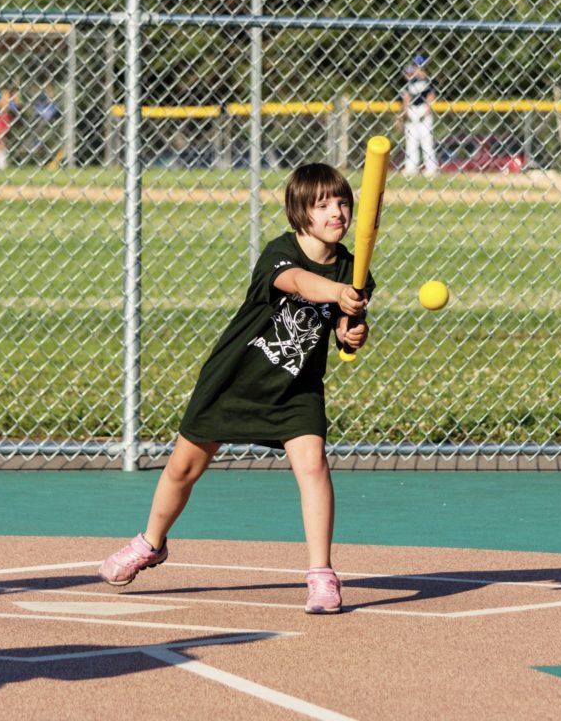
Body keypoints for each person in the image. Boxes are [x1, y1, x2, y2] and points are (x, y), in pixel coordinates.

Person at [98, 163, 373, 615]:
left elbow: (346, 326)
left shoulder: (353, 269)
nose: (336, 212)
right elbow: (299, 283)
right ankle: (150, 543)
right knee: (182, 469)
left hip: (296, 387)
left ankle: (322, 575)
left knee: (313, 466)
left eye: (342, 203)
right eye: (322, 205)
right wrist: (338, 294)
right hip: (235, 377)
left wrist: (351, 333)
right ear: (300, 213)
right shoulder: (279, 253)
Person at [398, 54, 438, 177]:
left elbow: (431, 97)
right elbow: (407, 98)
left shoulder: (429, 81)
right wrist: (404, 113)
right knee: (411, 140)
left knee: (426, 140)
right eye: (415, 66)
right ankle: (411, 167)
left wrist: (426, 111)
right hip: (412, 110)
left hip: (423, 109)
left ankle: (431, 168)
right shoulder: (411, 81)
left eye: (419, 67)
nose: (416, 69)